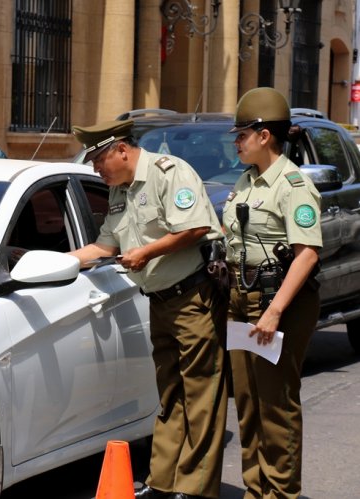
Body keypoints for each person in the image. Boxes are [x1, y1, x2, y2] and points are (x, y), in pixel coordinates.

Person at [70, 120, 228, 499]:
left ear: (121, 150)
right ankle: (163, 481)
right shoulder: (120, 192)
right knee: (170, 393)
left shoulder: (168, 173)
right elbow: (104, 247)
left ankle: (197, 488)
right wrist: (51, 261)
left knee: (200, 395)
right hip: (159, 302)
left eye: (99, 161)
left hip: (193, 298)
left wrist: (145, 252)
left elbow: (195, 228)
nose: (96, 170)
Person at [225, 87, 322, 499]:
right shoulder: (246, 181)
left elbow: (307, 255)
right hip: (241, 298)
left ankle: (281, 493)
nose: (236, 141)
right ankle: (256, 489)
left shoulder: (293, 184)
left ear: (265, 135)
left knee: (275, 405)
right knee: (247, 403)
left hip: (275, 302)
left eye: (242, 133)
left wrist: (274, 311)